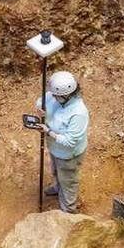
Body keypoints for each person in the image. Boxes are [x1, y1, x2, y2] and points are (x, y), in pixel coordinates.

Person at [34, 71, 90, 213]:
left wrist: (48, 131)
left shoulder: (78, 113)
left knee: (69, 181)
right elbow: (41, 101)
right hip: (55, 148)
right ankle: (58, 188)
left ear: (66, 95)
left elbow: (70, 141)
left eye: (56, 95)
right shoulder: (55, 96)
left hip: (68, 155)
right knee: (55, 170)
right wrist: (40, 109)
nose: (53, 97)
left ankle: (68, 209)